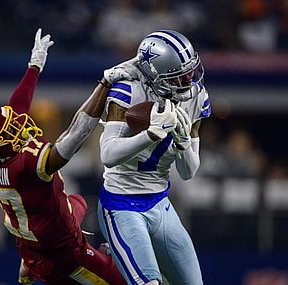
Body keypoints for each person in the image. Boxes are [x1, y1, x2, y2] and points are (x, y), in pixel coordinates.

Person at [0, 28, 130, 285]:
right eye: (9, 133)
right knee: (124, 282)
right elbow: (76, 135)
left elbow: (17, 108)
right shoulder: (24, 165)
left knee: (77, 201)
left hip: (32, 237)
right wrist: (104, 86)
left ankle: (29, 260)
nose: (19, 128)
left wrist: (34, 66)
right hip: (64, 255)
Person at [97, 30, 211, 285]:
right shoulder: (128, 91)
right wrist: (151, 134)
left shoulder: (197, 98)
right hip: (121, 203)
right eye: (179, 76)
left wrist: (183, 144)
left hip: (160, 203)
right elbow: (108, 155)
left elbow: (188, 172)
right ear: (155, 75)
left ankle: (117, 256)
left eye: (190, 72)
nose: (188, 81)